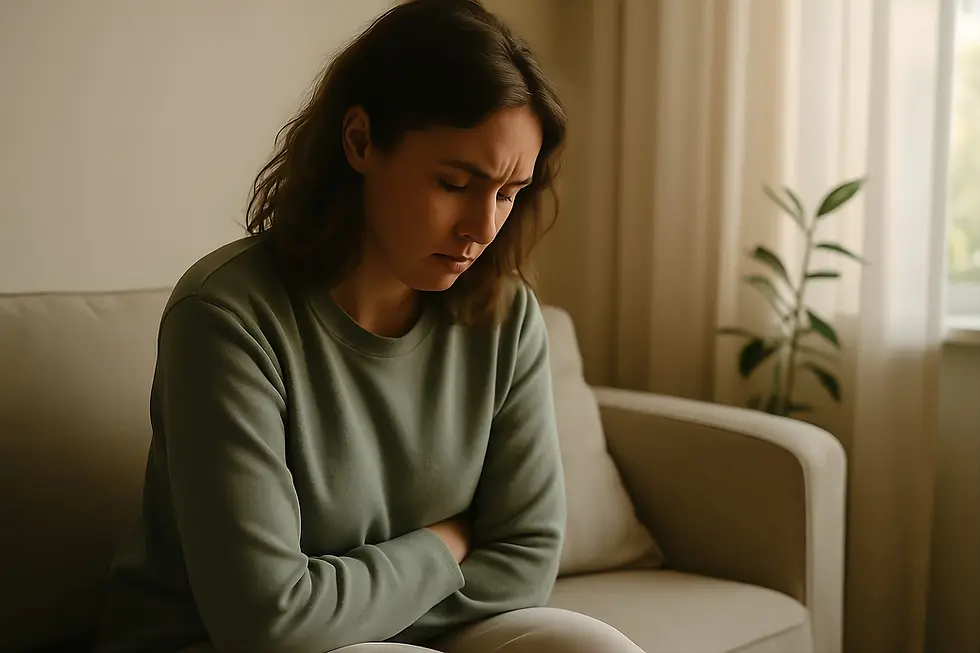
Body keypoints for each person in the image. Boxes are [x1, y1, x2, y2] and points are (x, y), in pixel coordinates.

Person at [96, 1, 644, 651]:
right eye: (455, 181)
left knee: (593, 645)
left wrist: (351, 612)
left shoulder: (506, 314)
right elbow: (266, 621)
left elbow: (527, 558)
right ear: (359, 141)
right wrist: (446, 542)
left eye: (508, 191)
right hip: (214, 643)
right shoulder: (226, 318)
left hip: (386, 631)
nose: (484, 227)